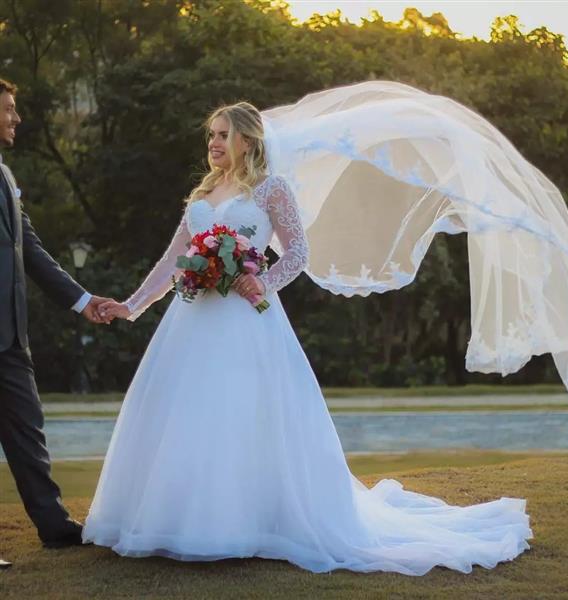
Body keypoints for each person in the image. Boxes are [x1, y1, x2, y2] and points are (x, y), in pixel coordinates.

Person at [83, 101, 534, 575]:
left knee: (245, 415)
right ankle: (179, 518)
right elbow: (174, 259)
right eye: (211, 135)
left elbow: (298, 251)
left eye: (222, 135)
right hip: (192, 321)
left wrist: (262, 281)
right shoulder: (205, 190)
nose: (213, 144)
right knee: (190, 415)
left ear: (247, 141)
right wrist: (132, 306)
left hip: (247, 320)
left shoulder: (270, 189)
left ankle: (250, 520)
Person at [0, 77, 113, 560]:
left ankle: (57, 528)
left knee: (28, 430)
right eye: (8, 109)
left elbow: (33, 253)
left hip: (10, 334)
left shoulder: (5, 176)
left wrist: (83, 300)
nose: (16, 118)